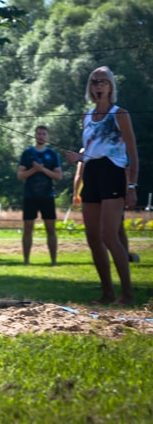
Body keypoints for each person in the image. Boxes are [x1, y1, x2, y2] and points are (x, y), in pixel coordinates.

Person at [66, 66, 138, 306]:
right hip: (92, 174)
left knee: (110, 235)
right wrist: (78, 158)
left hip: (113, 173)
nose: (99, 85)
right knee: (92, 236)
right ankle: (107, 293)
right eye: (95, 81)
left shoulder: (120, 114)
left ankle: (127, 295)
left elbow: (132, 152)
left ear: (111, 87)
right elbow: (90, 150)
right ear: (90, 87)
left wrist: (132, 185)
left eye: (104, 82)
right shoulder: (86, 116)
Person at [72, 153, 138, 263]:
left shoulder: (115, 149)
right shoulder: (84, 152)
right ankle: (109, 258)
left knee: (118, 228)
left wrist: (128, 190)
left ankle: (124, 257)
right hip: (94, 192)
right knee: (98, 231)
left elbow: (126, 171)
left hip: (113, 190)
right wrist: (76, 194)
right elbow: (79, 175)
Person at [16, 125, 62, 265]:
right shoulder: (27, 154)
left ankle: (53, 261)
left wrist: (43, 170)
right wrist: (34, 170)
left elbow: (58, 176)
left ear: (47, 136)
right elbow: (20, 175)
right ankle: (26, 260)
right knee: (28, 228)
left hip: (47, 196)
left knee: (50, 228)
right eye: (39, 133)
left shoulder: (53, 154)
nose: (41, 136)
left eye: (44, 134)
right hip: (30, 196)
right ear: (35, 136)